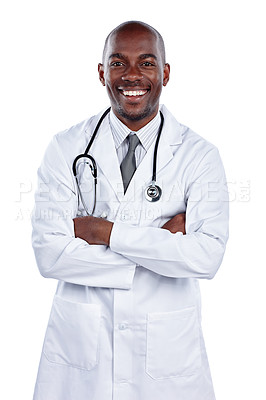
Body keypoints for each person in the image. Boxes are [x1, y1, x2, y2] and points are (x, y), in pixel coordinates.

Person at [32, 21, 229, 400]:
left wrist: (104, 233)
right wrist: (159, 248)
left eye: (147, 63)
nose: (133, 75)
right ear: (102, 73)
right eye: (119, 63)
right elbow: (50, 254)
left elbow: (206, 258)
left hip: (167, 363)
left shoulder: (199, 156)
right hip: (81, 357)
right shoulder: (65, 148)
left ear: (166, 73)